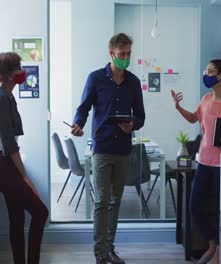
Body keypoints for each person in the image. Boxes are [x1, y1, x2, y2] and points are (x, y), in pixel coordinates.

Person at [71, 33, 145, 264]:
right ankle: (100, 253)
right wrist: (78, 124)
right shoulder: (95, 78)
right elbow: (83, 108)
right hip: (102, 147)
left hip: (123, 148)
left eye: (129, 54)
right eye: (122, 54)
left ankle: (110, 248)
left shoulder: (133, 82)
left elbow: (141, 116)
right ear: (111, 53)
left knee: (115, 201)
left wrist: (132, 124)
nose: (126, 58)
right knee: (102, 200)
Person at [171, 59, 221, 264]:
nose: (206, 74)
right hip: (204, 162)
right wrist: (178, 106)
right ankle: (212, 244)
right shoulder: (206, 99)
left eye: (210, 71)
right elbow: (193, 119)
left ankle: (218, 251)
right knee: (196, 206)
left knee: (220, 209)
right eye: (205, 70)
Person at [0, 52, 49, 264]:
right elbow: (9, 144)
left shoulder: (7, 96)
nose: (22, 71)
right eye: (19, 67)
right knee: (40, 213)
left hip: (4, 163)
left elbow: (10, 143)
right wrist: (25, 177)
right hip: (1, 165)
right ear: (11, 73)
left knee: (17, 218)